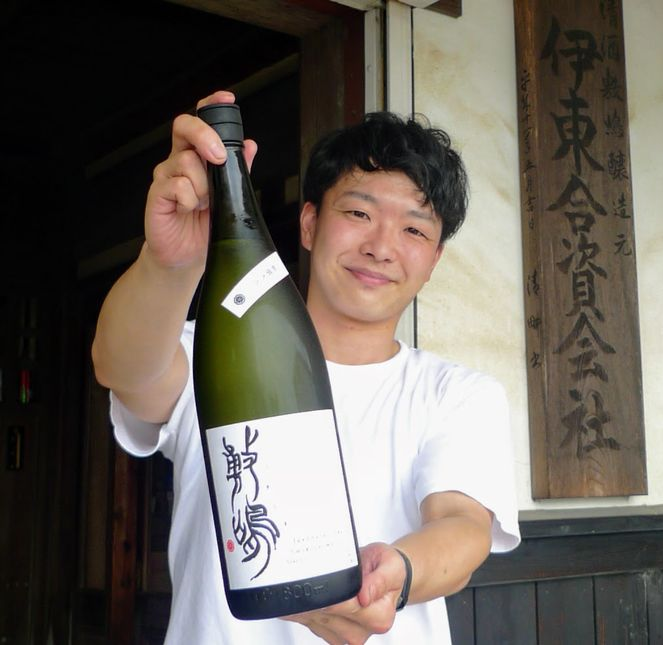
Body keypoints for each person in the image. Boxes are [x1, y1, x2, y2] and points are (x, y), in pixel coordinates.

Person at [92, 90, 520, 644]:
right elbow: (124, 369)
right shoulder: (210, 347)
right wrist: (168, 263)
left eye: (414, 229)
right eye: (359, 213)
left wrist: (397, 573)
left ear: (434, 260)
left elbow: (463, 526)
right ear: (310, 223)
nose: (381, 247)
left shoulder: (456, 393)